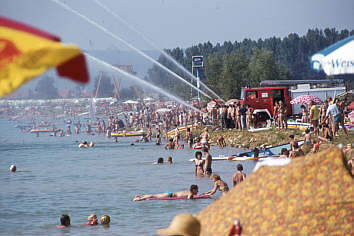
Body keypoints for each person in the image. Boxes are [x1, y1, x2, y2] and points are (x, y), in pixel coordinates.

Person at [133, 184, 199, 201]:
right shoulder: (190, 193)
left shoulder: (187, 191)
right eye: (197, 190)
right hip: (169, 195)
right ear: (193, 190)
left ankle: (140, 196)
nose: (197, 191)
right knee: (154, 196)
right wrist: (194, 199)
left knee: (154, 195)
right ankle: (139, 199)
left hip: (170, 193)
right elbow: (189, 198)